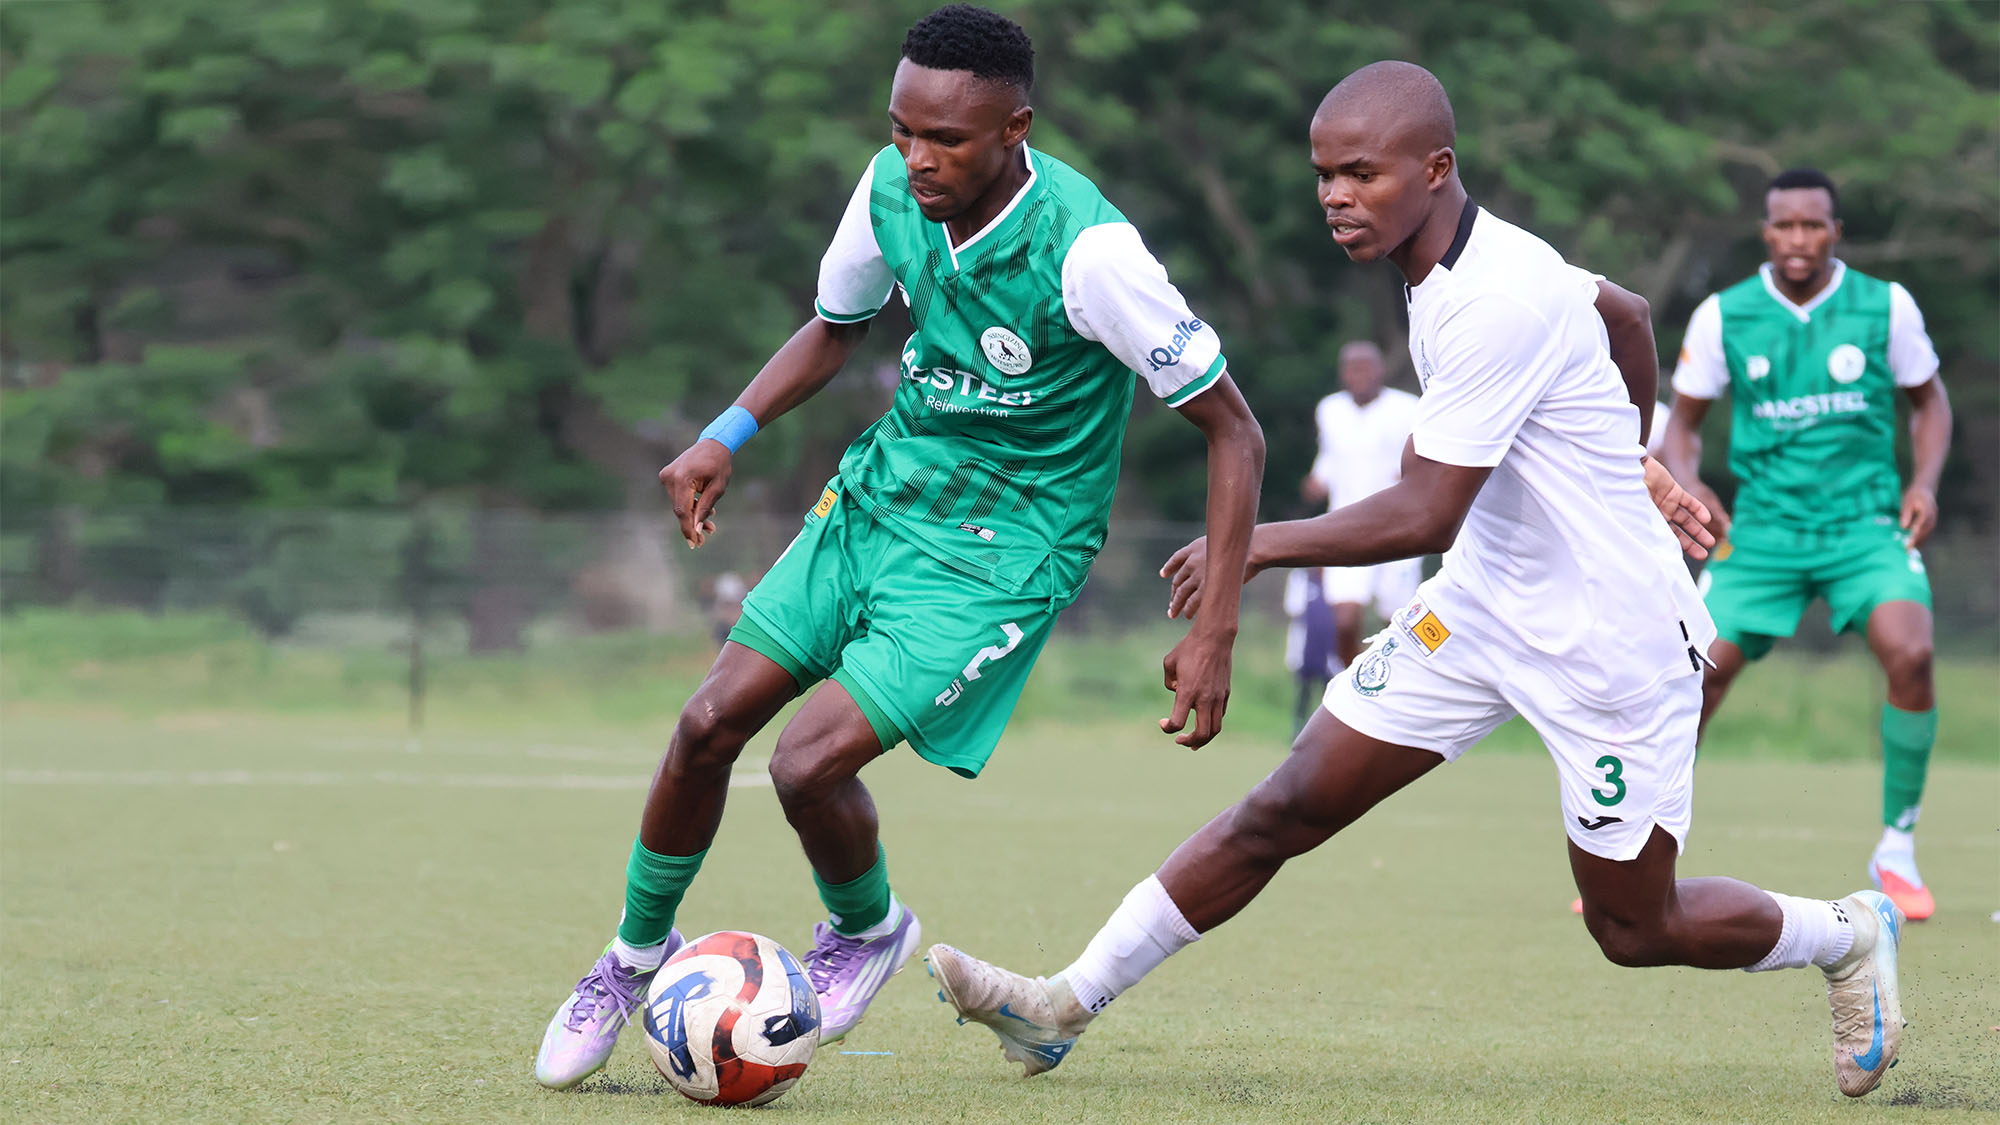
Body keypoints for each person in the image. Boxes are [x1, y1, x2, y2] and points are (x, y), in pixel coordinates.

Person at [926, 62, 1907, 1101]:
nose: (1334, 197)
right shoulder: (1450, 265)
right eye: (1322, 176)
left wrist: (1248, 545)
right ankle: (1059, 1007)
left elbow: (1421, 514)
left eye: (1360, 173)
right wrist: (1635, 454)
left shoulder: (1494, 298)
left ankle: (1843, 933)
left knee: (1632, 926)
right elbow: (1620, 313)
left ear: (1435, 170)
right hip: (1477, 613)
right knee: (1283, 806)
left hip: (1606, 643)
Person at [533, 5, 1264, 1090]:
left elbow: (1231, 428)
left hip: (1004, 548)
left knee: (805, 763)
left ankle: (861, 929)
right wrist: (723, 435)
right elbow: (837, 325)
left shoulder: (1092, 253)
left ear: (1016, 127)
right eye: (902, 129)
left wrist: (1216, 627)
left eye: (947, 140)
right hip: (882, 496)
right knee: (704, 726)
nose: (917, 157)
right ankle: (633, 958)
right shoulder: (886, 187)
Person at [1662, 168, 1952, 922]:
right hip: (1762, 533)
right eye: (1785, 226)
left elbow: (1929, 403)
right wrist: (1690, 484)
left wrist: (1923, 481)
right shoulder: (1723, 316)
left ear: (1835, 233)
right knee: (1689, 676)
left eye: (1813, 226)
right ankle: (1642, 850)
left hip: (1864, 526)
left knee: (1912, 652)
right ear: (1766, 232)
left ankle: (1897, 848)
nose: (1799, 240)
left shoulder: (1885, 306)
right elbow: (1682, 428)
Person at [1301, 341, 1423, 668]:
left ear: (1380, 370)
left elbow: (1420, 459)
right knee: (1343, 619)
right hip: (1344, 523)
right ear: (1343, 373)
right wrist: (1317, 478)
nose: (1360, 375)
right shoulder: (1330, 409)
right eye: (1353, 368)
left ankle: (1391, 682)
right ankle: (1349, 683)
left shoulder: (1406, 407)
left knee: (1397, 621)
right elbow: (1330, 454)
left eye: (1366, 367)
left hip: (1397, 525)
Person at [1280, 566, 1337, 735]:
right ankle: (1297, 728)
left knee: (1329, 690)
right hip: (1306, 644)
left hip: (1330, 645)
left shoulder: (1335, 578)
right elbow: (1293, 608)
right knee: (1304, 690)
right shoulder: (1300, 578)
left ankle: (1327, 732)